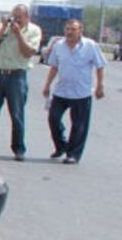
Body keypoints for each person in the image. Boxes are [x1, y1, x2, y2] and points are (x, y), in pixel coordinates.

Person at [0, 4, 41, 161]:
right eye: (14, 16)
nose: (17, 20)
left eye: (20, 17)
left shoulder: (34, 31)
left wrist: (19, 34)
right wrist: (3, 28)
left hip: (16, 76)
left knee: (17, 114)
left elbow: (28, 52)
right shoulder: (4, 27)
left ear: (27, 17)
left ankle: (18, 148)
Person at [42, 19, 106, 164]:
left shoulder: (90, 46)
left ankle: (73, 154)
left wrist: (100, 86)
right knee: (53, 118)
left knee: (79, 125)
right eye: (67, 29)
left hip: (81, 93)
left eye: (73, 29)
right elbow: (54, 67)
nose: (69, 32)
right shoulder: (59, 46)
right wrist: (47, 85)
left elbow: (100, 66)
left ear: (80, 31)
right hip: (61, 91)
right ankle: (61, 146)